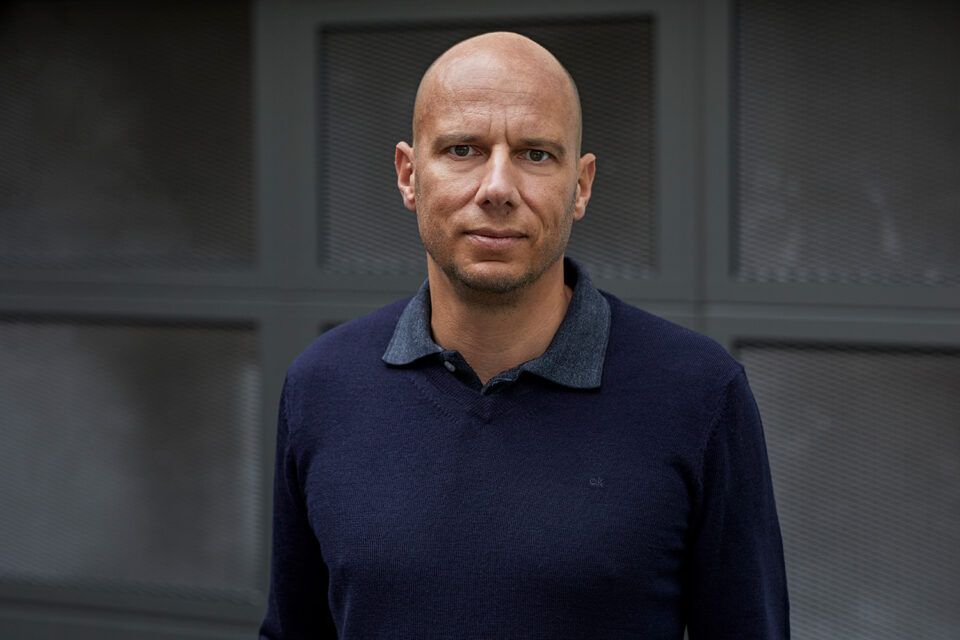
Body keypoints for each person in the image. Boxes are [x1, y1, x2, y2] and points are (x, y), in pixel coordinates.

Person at [260, 32, 789, 639]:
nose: (497, 188)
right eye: (463, 149)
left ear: (581, 185)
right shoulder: (322, 385)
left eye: (535, 154)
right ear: (409, 175)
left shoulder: (699, 393)